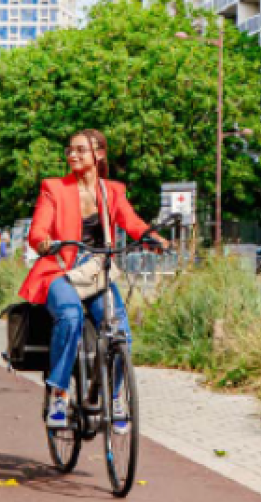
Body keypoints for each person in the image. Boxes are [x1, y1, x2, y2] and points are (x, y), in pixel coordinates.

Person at [17, 129, 169, 432]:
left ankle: (113, 397)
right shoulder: (54, 188)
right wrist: (44, 242)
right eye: (69, 150)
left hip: (96, 272)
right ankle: (59, 393)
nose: (72, 155)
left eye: (80, 150)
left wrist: (153, 238)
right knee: (70, 316)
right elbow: (38, 230)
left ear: (98, 155)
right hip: (60, 269)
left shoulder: (112, 191)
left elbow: (131, 221)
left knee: (120, 331)